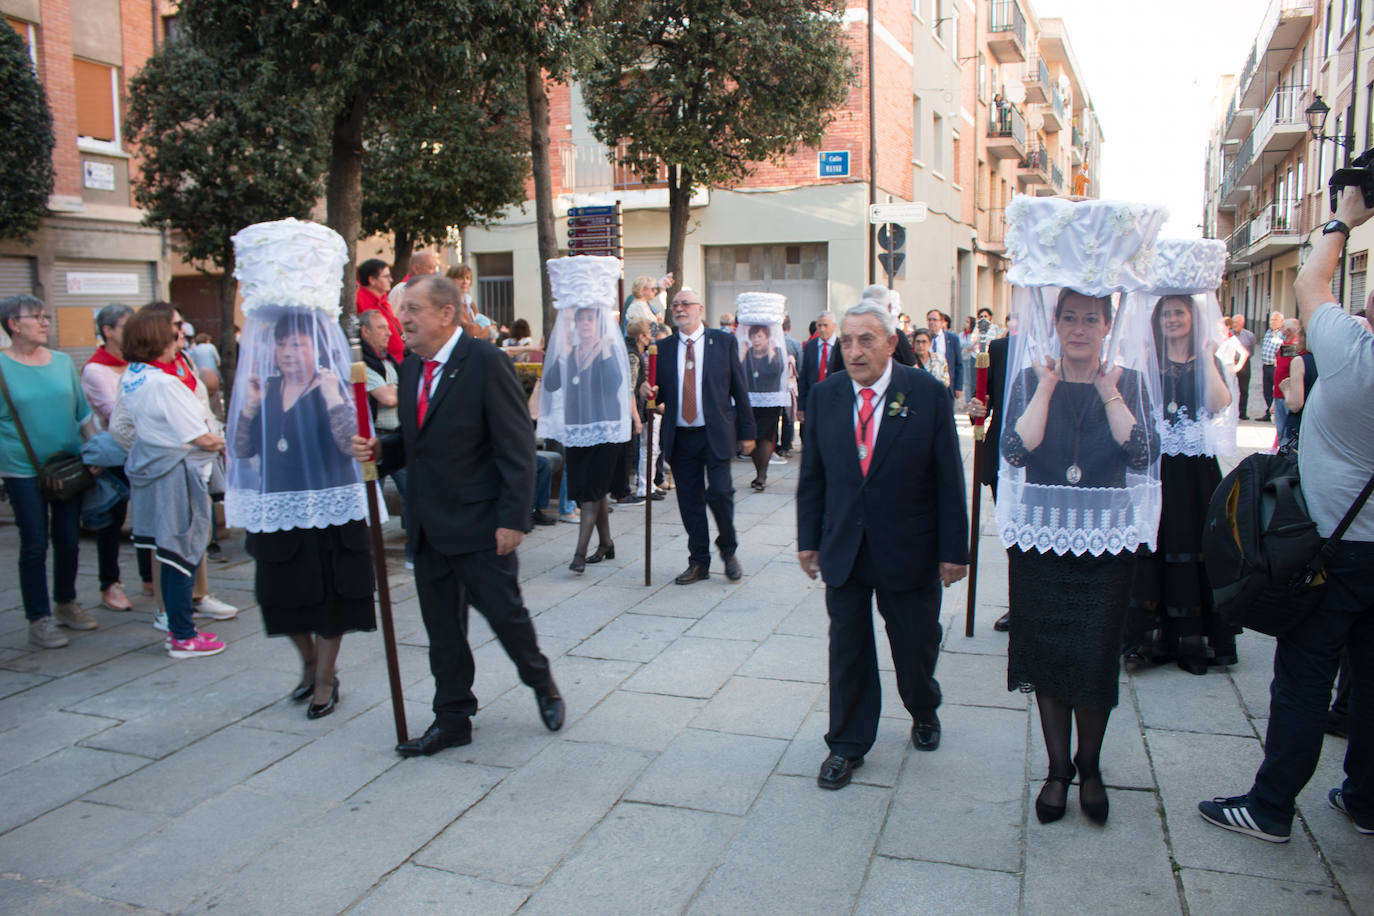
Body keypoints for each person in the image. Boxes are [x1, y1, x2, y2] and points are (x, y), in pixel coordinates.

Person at [1199, 186, 1374, 843]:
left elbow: (1310, 281)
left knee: (1303, 679)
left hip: (1332, 549)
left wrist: (1344, 218)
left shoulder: (1356, 360)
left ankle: (1271, 807)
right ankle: (1365, 799)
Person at [997, 194, 1166, 826]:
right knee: (1046, 658)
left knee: (1093, 658)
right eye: (1069, 317)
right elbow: (1016, 449)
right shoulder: (1029, 381)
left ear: (1106, 325)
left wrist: (1107, 391)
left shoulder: (1128, 383)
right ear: (1056, 322)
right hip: (1041, 545)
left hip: (1103, 549)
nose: (1077, 328)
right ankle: (1056, 769)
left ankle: (1090, 767)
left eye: (1090, 319)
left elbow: (1141, 449)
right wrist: (1044, 386)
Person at [352, 274, 563, 756]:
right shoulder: (410, 367)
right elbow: (415, 441)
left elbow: (515, 446)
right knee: (442, 631)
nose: (401, 319)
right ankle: (452, 719)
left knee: (506, 617)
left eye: (412, 310)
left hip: (479, 524)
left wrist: (514, 519)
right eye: (400, 310)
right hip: (427, 525)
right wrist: (380, 449)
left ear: (446, 314)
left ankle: (540, 681)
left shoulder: (484, 362)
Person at [797, 301, 969, 789]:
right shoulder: (826, 395)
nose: (854, 351)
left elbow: (949, 480)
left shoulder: (927, 395)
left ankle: (923, 707)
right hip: (845, 547)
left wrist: (954, 550)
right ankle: (847, 744)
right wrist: (808, 539)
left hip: (908, 546)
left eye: (866, 340)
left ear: (892, 343)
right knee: (847, 648)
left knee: (915, 645)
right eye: (846, 341)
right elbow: (813, 477)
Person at [226, 220, 376, 716]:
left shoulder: (334, 386)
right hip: (280, 508)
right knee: (281, 599)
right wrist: (247, 407)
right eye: (283, 346)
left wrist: (335, 399)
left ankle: (326, 679)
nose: (290, 353)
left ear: (316, 345)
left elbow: (348, 444)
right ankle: (310, 664)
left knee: (333, 599)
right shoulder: (263, 391)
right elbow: (244, 451)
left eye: (300, 345)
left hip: (330, 508)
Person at [1124, 240, 1238, 675]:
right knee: (1155, 548)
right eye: (1166, 313)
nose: (1172, 319)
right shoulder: (1147, 361)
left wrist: (1207, 356)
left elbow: (1217, 403)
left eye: (1179, 313)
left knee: (1191, 549)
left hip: (1194, 472)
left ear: (1193, 318)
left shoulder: (1205, 360)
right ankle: (1149, 641)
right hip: (1158, 468)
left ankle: (1192, 642)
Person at [119, 308, 226, 658]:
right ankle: (182, 635)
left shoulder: (136, 374)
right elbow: (200, 436)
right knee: (182, 551)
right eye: (175, 327)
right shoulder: (163, 382)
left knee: (171, 552)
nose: (182, 333)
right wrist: (227, 439)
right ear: (157, 334)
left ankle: (177, 625)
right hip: (177, 472)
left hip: (157, 467)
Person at [0, 295, 100, 649]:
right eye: (37, 317)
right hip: (21, 468)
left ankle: (66, 603)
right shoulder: (1, 367)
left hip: (67, 466)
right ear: (14, 324)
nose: (45, 322)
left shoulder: (60, 363)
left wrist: (97, 452)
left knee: (69, 540)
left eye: (46, 317)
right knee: (34, 542)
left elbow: (82, 413)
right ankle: (38, 619)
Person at [640, 288, 756, 584]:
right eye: (676, 304)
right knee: (689, 501)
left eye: (686, 304)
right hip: (681, 436)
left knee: (720, 493)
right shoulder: (662, 349)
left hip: (715, 432)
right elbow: (658, 392)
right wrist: (647, 391)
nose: (680, 309)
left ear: (699, 309)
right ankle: (699, 560)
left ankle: (728, 550)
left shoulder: (723, 342)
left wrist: (748, 432)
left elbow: (739, 390)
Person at [537, 256, 633, 572]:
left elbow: (614, 385)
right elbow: (550, 383)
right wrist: (561, 352)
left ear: (599, 323)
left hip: (606, 431)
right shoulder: (570, 351)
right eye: (581, 320)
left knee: (592, 492)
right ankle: (606, 543)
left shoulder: (610, 351)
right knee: (587, 492)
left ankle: (579, 554)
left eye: (591, 320)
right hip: (578, 429)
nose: (586, 325)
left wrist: (605, 348)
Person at [81, 302, 136, 612]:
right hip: (114, 455)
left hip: (143, 450)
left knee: (146, 518)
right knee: (111, 522)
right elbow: (114, 414)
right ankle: (110, 584)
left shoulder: (137, 362)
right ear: (108, 331)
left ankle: (148, 579)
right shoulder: (95, 369)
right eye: (126, 327)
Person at [734, 292, 790, 491]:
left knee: (765, 436)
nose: (756, 340)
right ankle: (760, 472)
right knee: (753, 436)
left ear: (767, 337)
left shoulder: (777, 351)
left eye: (760, 336)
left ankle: (762, 475)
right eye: (754, 336)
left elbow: (778, 371)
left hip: (770, 399)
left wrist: (773, 354)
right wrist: (741, 355)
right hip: (749, 399)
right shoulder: (746, 352)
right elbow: (738, 373)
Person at [356, 258, 405, 364]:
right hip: (379, 363)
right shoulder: (359, 300)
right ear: (372, 280)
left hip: (396, 361)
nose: (391, 280)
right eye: (386, 276)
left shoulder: (382, 299)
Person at [798, 311, 838, 433]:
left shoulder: (841, 346)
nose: (822, 329)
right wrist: (801, 407)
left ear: (834, 326)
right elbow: (804, 377)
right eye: (819, 326)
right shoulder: (810, 346)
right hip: (813, 402)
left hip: (834, 403)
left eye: (825, 325)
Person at [1277, 323, 1316, 442]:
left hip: (1299, 419)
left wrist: (1285, 390)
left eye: (1283, 328)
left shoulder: (1299, 357)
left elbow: (1295, 405)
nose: (1281, 330)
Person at [925, 309, 964, 398]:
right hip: (927, 383)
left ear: (942, 322)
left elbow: (958, 364)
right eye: (929, 320)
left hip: (946, 384)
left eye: (935, 320)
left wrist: (958, 387)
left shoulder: (952, 339)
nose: (931, 322)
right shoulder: (924, 338)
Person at [779, 315, 802, 458]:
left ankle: (774, 444)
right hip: (789, 386)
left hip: (774, 385)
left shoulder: (772, 342)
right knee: (788, 416)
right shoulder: (795, 344)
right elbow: (801, 366)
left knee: (774, 417)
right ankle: (786, 445)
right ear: (789, 327)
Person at [1260, 310, 1284, 422]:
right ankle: (1269, 411)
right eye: (1271, 320)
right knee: (1266, 391)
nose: (1272, 322)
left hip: (1275, 367)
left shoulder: (1282, 334)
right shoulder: (1268, 332)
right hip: (1266, 365)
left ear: (1281, 322)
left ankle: (1274, 413)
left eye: (1275, 320)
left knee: (1276, 390)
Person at [1231, 314, 1256, 419]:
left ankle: (1242, 412)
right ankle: (1231, 411)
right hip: (1230, 363)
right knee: (1230, 388)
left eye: (1236, 322)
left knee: (1243, 388)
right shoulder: (1228, 334)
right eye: (1233, 322)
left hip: (1244, 363)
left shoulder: (1249, 336)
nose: (1234, 324)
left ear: (1242, 323)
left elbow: (1252, 351)